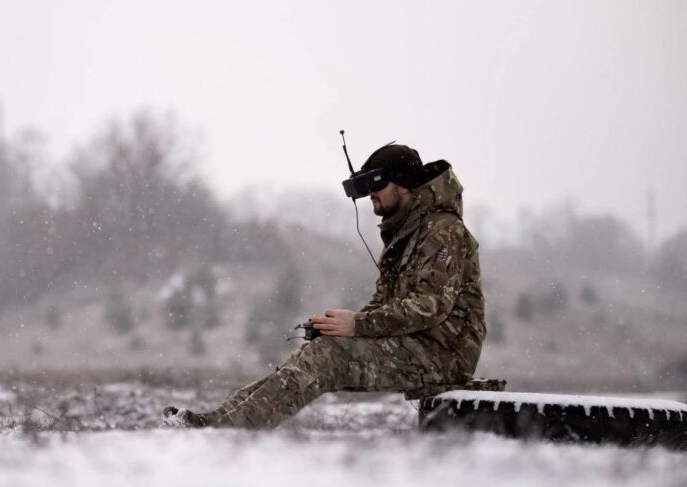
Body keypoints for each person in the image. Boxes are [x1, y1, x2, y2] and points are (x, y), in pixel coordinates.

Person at [163, 143, 486, 429]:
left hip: (443, 355)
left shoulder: (443, 231)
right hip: (416, 345)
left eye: (377, 185)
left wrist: (358, 325)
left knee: (328, 356)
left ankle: (228, 431)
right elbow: (384, 302)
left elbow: (430, 306)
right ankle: (218, 421)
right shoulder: (409, 232)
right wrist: (341, 328)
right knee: (318, 350)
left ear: (403, 185)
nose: (370, 196)